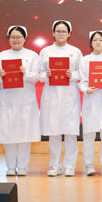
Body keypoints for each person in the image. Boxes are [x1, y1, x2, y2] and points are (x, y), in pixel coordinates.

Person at [0, 25, 41, 176]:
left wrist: (25, 73)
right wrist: (0, 75)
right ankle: (10, 166)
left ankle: (22, 167)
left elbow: (37, 77)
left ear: (24, 39)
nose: (15, 40)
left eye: (18, 37)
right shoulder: (1, 56)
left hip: (25, 100)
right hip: (7, 100)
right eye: (12, 37)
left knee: (24, 134)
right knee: (8, 133)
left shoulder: (32, 55)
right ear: (8, 39)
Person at [39, 20, 83, 177]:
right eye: (58, 31)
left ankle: (70, 165)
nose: (61, 34)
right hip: (51, 95)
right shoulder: (45, 51)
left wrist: (73, 75)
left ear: (69, 34)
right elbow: (39, 74)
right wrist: (46, 75)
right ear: (53, 33)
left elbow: (82, 73)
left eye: (64, 31)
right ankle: (54, 165)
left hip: (69, 96)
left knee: (71, 133)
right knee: (54, 133)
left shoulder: (75, 51)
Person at [78, 30, 102, 176]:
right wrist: (86, 89)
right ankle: (89, 165)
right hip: (91, 99)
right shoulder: (85, 60)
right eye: (95, 40)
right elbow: (82, 80)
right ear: (91, 43)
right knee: (89, 135)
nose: (98, 42)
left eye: (101, 40)